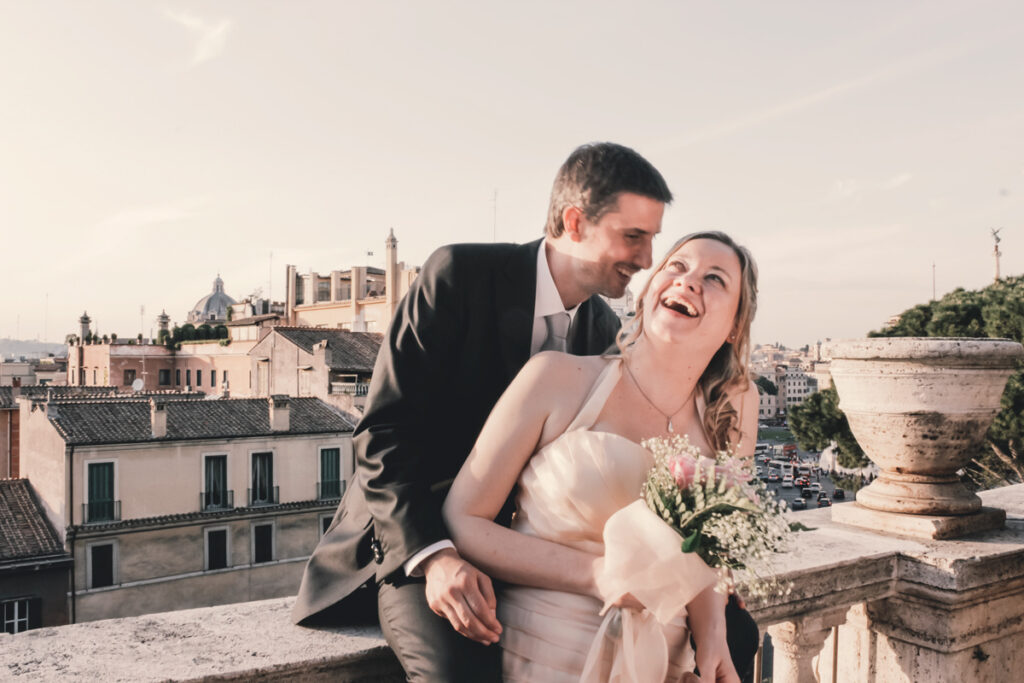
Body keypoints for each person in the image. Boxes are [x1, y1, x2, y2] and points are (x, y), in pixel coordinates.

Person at [292, 142, 673, 681]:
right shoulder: (458, 276)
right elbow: (382, 433)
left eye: (652, 239)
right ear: (574, 221)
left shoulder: (604, 336)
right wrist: (435, 556)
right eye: (633, 236)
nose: (647, 259)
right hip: (414, 538)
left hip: (524, 556)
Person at [443, 231, 760, 682]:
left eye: (714, 278)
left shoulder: (731, 415)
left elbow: (708, 553)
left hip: (664, 662)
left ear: (735, 327)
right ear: (649, 290)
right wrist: (596, 575)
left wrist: (712, 636)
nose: (688, 282)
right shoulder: (556, 378)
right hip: (544, 651)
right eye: (677, 266)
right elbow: (464, 520)